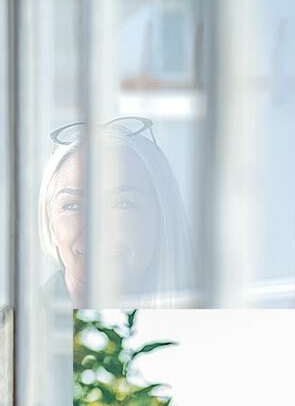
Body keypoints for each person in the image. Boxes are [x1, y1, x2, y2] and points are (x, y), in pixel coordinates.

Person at [38, 117, 192, 307]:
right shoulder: (17, 327)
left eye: (123, 204)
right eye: (72, 206)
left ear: (162, 215)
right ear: (50, 223)